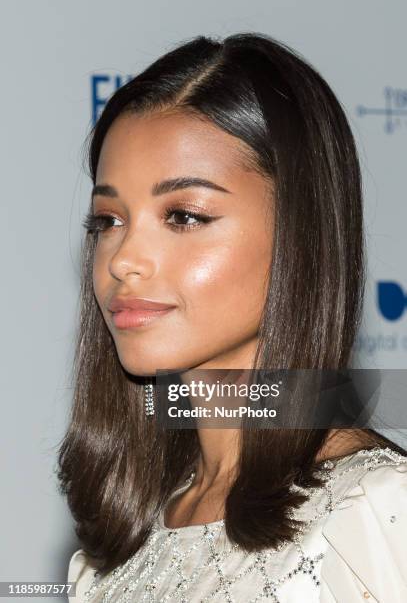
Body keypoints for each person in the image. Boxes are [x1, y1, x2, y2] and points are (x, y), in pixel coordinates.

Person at [59, 32, 407, 602]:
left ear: (303, 235)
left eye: (185, 216)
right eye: (107, 221)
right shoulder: (109, 559)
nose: (122, 260)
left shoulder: (378, 514)